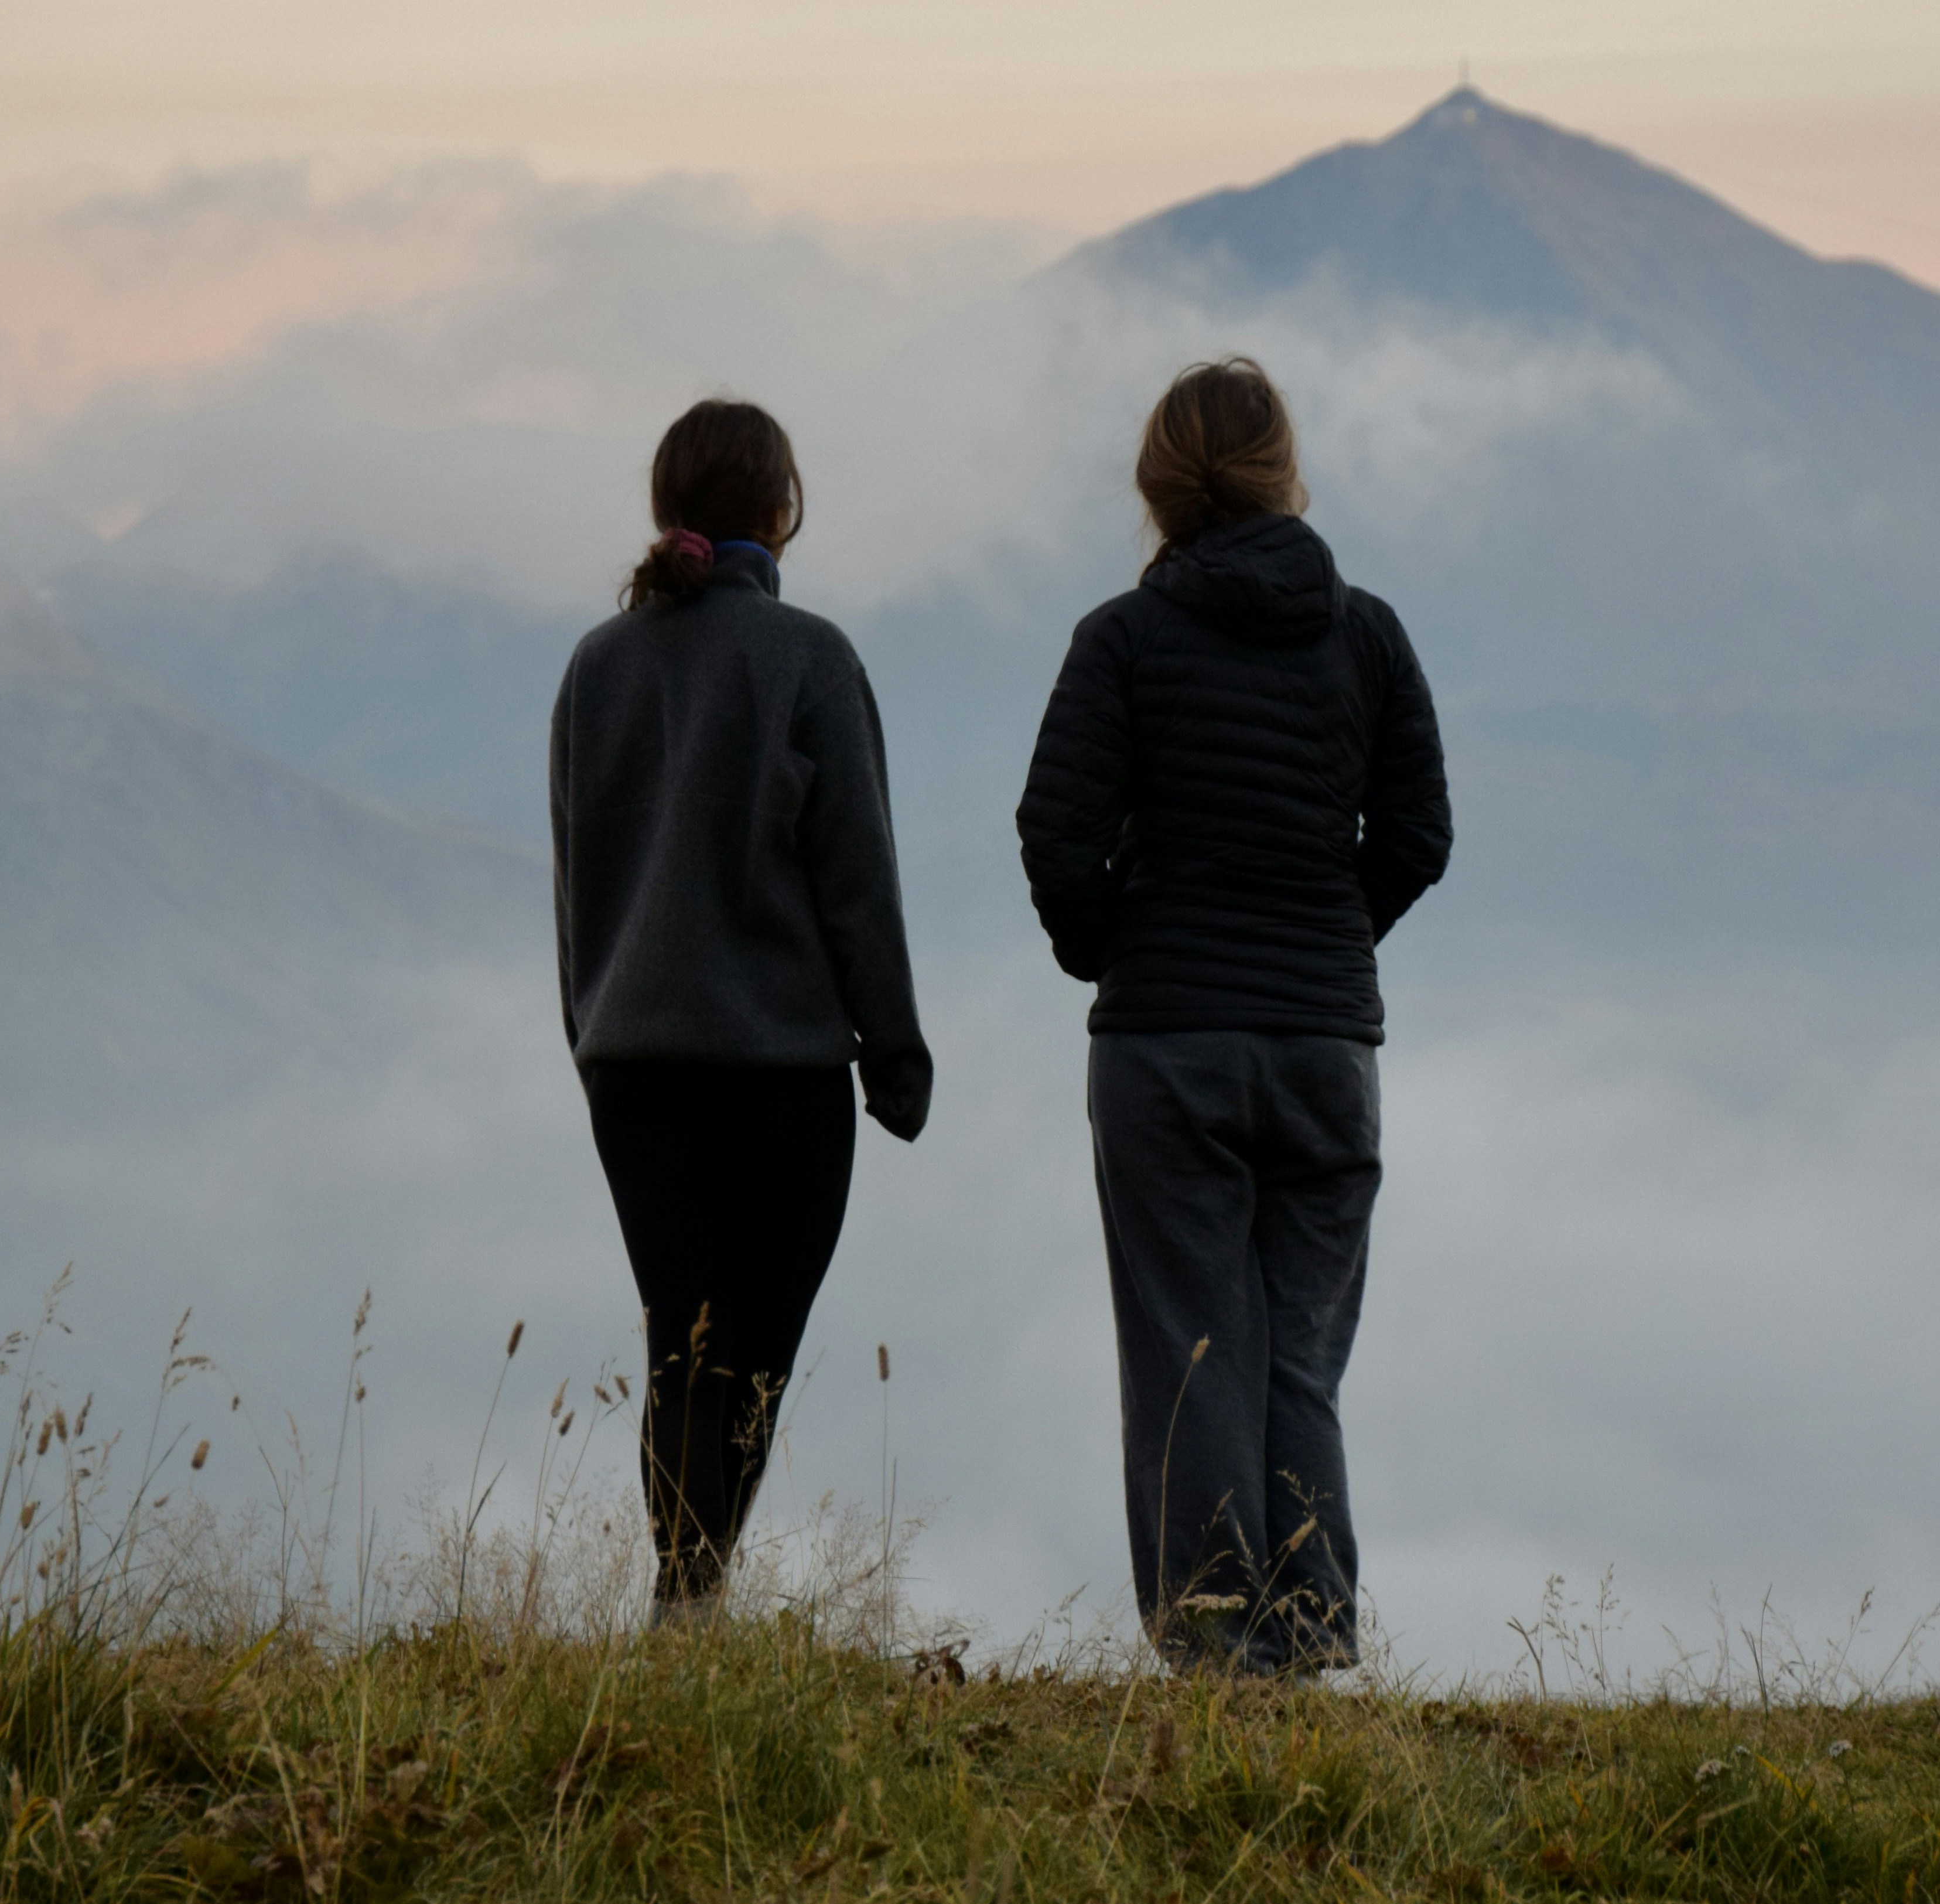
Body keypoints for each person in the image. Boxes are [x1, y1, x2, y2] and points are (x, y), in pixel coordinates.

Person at [1015, 357, 1451, 1676]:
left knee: (1191, 1345)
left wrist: (1118, 951)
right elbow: (1419, 834)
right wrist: (1327, 942)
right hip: (1326, 1047)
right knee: (1299, 1354)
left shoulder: (1123, 639)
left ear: (1160, 482)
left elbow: (1055, 831)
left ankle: (1215, 1641)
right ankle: (1311, 1625)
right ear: (1283, 472)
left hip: (1167, 1048)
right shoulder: (1368, 632)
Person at [551, 397, 931, 1625]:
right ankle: (695, 1592)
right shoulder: (810, 660)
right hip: (780, 1070)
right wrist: (896, 1050)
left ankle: (686, 1593)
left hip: (635, 1063)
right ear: (783, 512)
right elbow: (857, 878)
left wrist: (591, 1029)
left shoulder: (597, 667)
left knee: (680, 1338)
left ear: (667, 512)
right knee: (755, 1351)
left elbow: (581, 875)